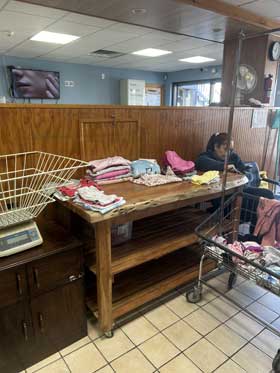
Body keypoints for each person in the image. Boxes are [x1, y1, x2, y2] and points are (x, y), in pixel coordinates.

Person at [196, 132, 274, 211]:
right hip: (222, 196)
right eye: (226, 149)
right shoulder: (205, 157)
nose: (228, 153)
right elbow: (200, 161)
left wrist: (242, 174)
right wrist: (225, 167)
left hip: (238, 190)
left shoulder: (233, 157)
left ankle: (263, 222)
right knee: (254, 204)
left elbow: (246, 172)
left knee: (267, 194)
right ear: (216, 146)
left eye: (231, 150)